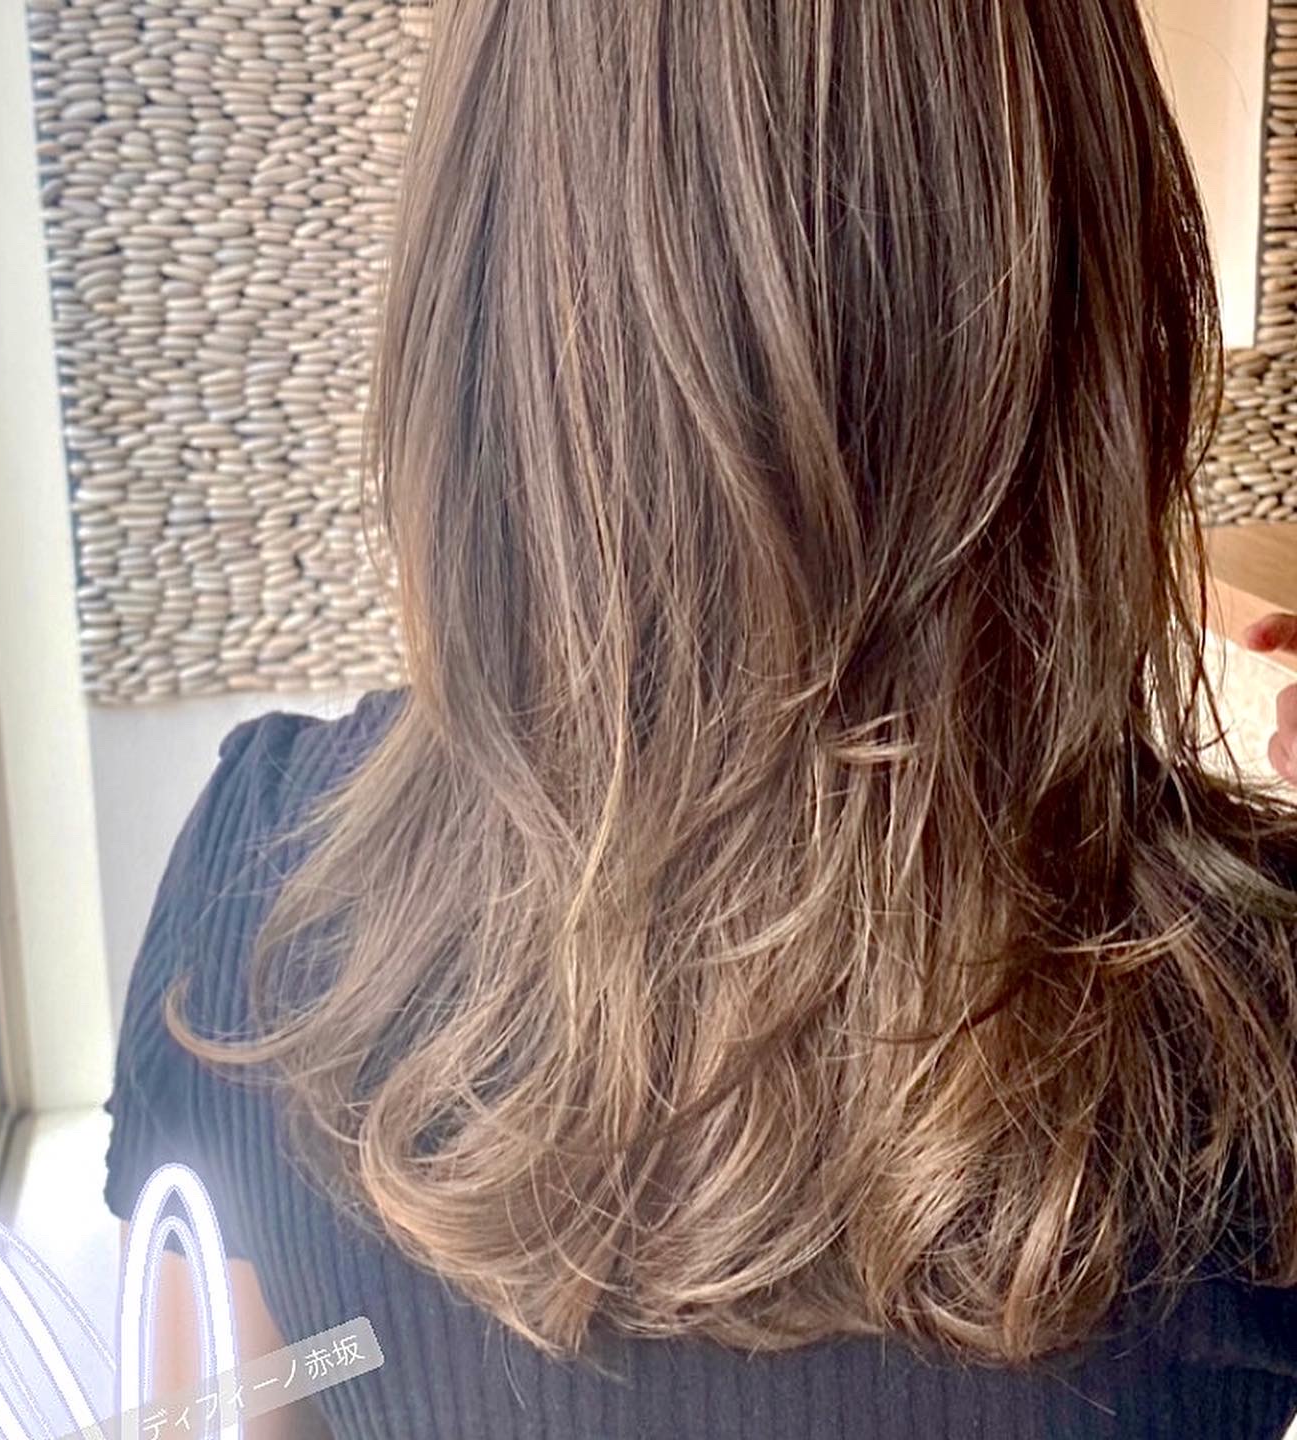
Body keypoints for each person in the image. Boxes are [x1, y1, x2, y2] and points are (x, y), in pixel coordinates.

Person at [102, 3, 1297, 1437]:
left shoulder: (259, 894)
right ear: (1097, 304)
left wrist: (367, 1344)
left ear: (481, 302)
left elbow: (239, 1403)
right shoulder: (1251, 1009)